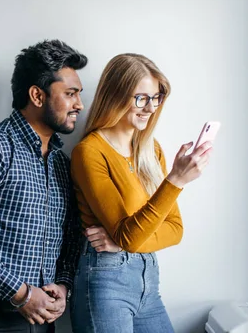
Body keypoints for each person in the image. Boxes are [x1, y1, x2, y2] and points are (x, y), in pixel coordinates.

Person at [0, 39, 115, 332]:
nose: (79, 105)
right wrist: (20, 293)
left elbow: (69, 233)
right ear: (37, 95)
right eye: (70, 94)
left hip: (41, 320)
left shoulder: (60, 161)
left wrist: (63, 284)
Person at [69, 53, 214, 333]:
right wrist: (175, 181)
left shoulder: (151, 149)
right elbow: (131, 238)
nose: (150, 107)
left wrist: (125, 241)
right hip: (106, 282)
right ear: (115, 96)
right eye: (141, 98)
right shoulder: (89, 153)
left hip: (148, 280)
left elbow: (175, 229)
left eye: (156, 97)